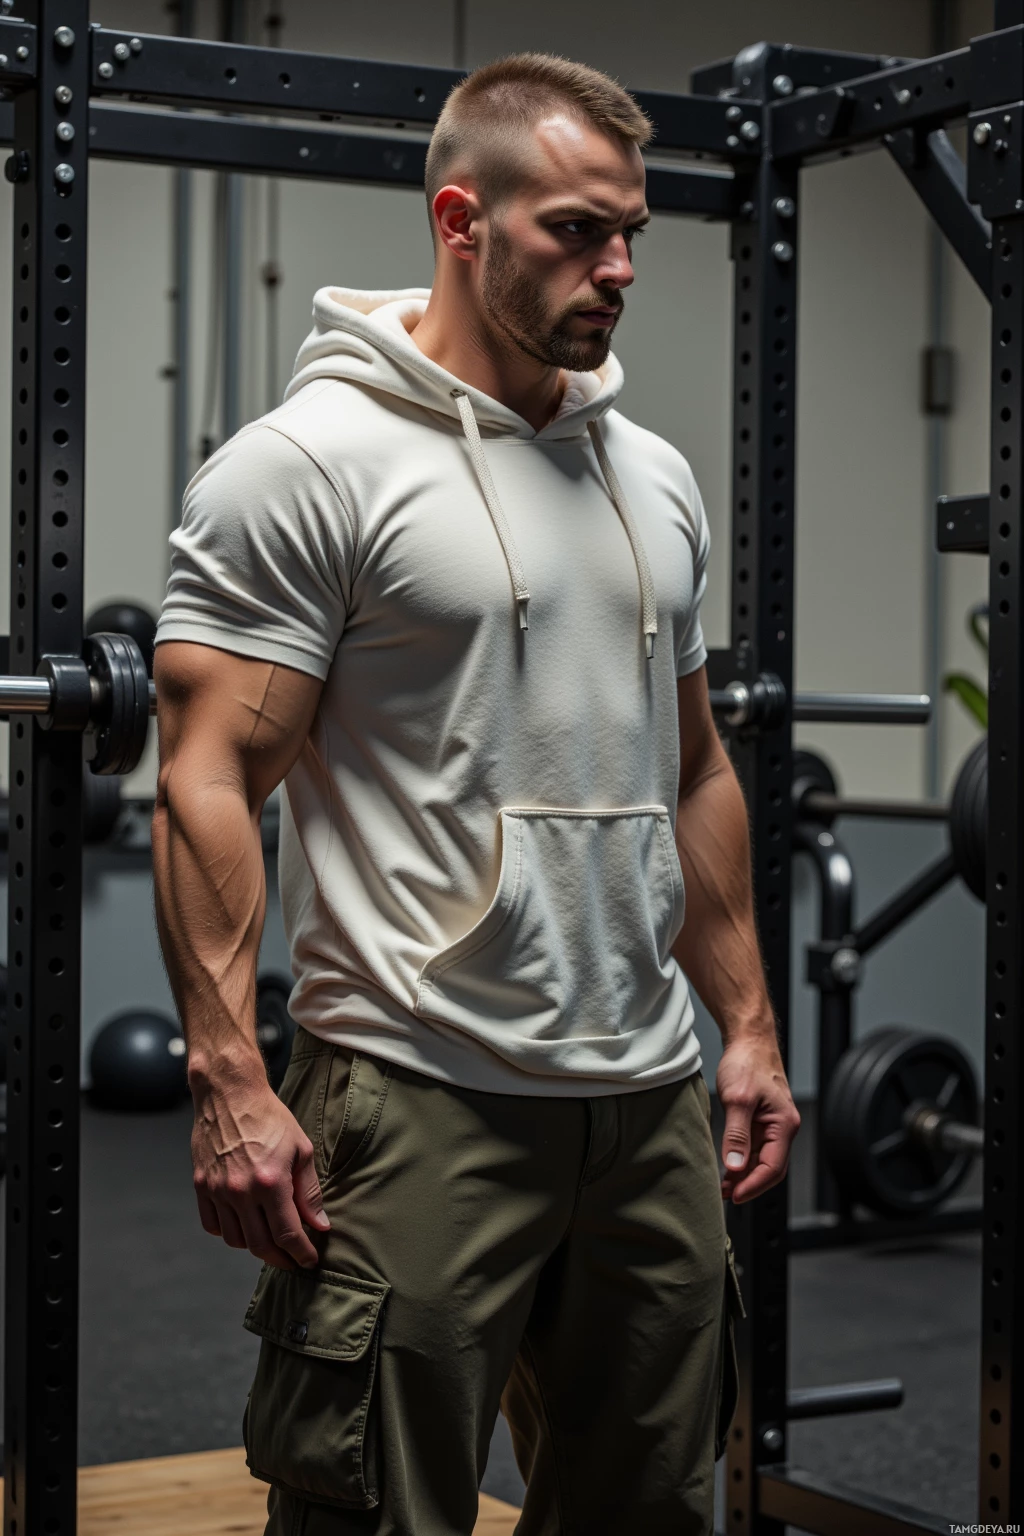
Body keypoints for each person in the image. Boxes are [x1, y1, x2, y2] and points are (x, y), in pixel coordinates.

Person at [153, 51, 800, 1536]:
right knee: (378, 1509)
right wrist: (231, 1079)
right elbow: (205, 769)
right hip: (417, 1090)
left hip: (642, 1104)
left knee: (650, 1507)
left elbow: (693, 766)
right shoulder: (307, 466)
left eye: (632, 229)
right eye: (577, 228)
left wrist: (748, 1026)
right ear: (462, 219)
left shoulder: (656, 477)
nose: (618, 265)